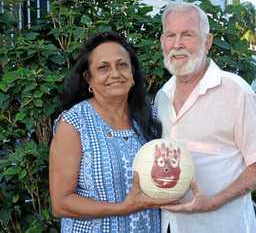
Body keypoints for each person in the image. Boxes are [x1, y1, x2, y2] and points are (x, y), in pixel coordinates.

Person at [154, 2, 256, 233]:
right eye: (170, 35)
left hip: (221, 226)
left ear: (207, 42)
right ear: (162, 42)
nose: (177, 44)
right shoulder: (162, 96)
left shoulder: (235, 91)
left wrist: (214, 201)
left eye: (187, 34)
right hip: (170, 225)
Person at [49, 32, 176, 232]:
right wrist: (122, 208)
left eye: (122, 65)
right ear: (88, 78)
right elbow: (61, 203)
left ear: (132, 72)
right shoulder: (74, 123)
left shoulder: (151, 115)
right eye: (103, 67)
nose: (115, 73)